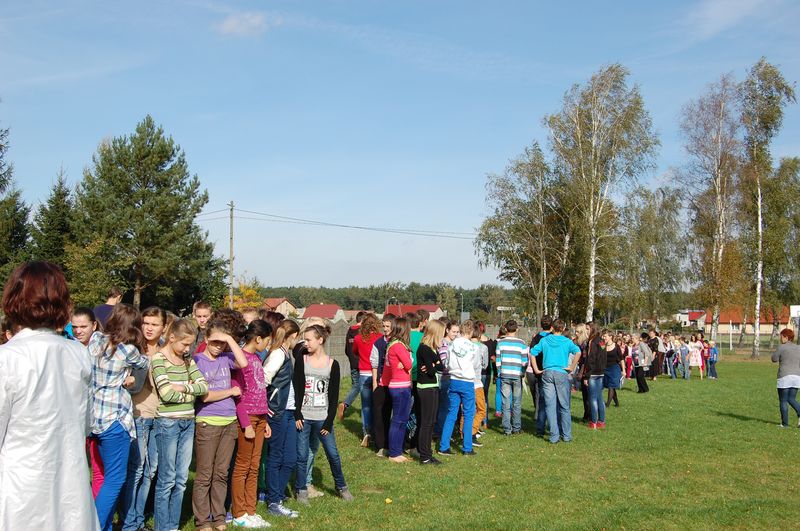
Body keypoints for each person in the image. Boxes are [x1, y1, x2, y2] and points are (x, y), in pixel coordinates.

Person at [0, 261, 100, 530]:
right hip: (67, 485)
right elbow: (86, 423)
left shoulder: (7, 358)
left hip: (21, 490)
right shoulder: (77, 353)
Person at [87, 304, 149, 531]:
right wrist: (131, 375)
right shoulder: (128, 350)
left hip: (94, 419)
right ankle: (94, 525)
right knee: (115, 479)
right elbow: (145, 363)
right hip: (115, 420)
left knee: (101, 475)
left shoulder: (96, 341)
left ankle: (103, 526)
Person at [152, 319, 209, 531]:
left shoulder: (187, 360)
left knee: (181, 479)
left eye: (190, 345)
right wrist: (190, 389)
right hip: (168, 423)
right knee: (167, 479)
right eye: (184, 344)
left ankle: (173, 526)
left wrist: (183, 388)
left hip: (188, 422)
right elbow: (165, 393)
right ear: (172, 337)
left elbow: (203, 387)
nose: (188, 349)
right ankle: (162, 526)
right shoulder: (159, 359)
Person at [192, 317, 249, 531]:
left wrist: (227, 338)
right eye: (214, 341)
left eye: (222, 343)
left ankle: (218, 517)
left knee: (221, 473)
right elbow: (204, 396)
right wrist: (230, 392)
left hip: (229, 421)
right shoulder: (197, 361)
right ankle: (202, 520)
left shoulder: (226, 358)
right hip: (208, 421)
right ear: (206, 339)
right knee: (205, 473)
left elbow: (243, 362)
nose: (218, 347)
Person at [293, 324, 354, 502]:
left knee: (333, 454)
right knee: (302, 455)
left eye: (309, 339)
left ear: (320, 340)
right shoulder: (301, 359)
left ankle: (341, 487)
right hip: (304, 418)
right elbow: (297, 389)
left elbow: (333, 395)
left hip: (322, 419)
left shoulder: (332, 364)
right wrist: (297, 414)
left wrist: (328, 421)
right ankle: (301, 490)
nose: (306, 343)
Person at [231, 316, 273, 528]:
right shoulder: (241, 360)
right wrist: (246, 424)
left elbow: (259, 391)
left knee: (255, 466)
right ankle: (239, 513)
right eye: (267, 340)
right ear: (258, 338)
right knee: (242, 466)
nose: (268, 345)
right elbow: (238, 396)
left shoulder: (256, 359)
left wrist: (264, 420)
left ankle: (251, 510)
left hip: (260, 418)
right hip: (246, 420)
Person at [264, 319, 301, 518]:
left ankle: (276, 495)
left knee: (290, 458)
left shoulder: (286, 354)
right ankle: (274, 502)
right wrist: (266, 407)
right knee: (276, 457)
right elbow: (263, 378)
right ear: (293, 336)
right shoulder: (278, 354)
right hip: (277, 412)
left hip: (288, 412)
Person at [532, 319, 581, 444]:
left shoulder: (545, 340)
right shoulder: (567, 341)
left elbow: (532, 353)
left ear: (552, 328)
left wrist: (537, 369)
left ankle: (554, 436)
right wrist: (572, 367)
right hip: (561, 373)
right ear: (563, 328)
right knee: (564, 405)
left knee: (550, 405)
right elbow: (578, 352)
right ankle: (566, 435)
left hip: (547, 373)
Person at [439, 320, 477, 456]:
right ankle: (467, 447)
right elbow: (475, 364)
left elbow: (447, 362)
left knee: (451, 413)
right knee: (468, 414)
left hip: (453, 379)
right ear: (471, 331)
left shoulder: (453, 343)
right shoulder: (474, 347)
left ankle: (444, 446)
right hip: (467, 381)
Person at [384, 318, 414, 463]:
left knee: (402, 420)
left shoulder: (397, 344)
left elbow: (407, 364)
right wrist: (405, 363)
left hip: (402, 385)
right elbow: (409, 364)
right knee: (398, 421)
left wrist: (406, 364)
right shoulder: (398, 346)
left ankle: (398, 450)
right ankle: (394, 453)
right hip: (400, 387)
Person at [416, 320, 445, 465]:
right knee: (426, 423)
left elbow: (442, 367)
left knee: (432, 422)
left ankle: (428, 453)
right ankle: (425, 456)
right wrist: (433, 365)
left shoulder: (434, 348)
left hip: (433, 386)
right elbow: (433, 369)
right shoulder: (424, 349)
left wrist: (434, 365)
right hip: (425, 388)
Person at [352, 313, 382, 448]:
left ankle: (366, 433)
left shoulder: (358, 339)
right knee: (378, 405)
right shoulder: (380, 338)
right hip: (376, 374)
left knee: (366, 406)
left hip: (364, 373)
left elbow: (355, 352)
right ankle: (377, 432)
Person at [496, 320, 527, 436]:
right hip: (517, 375)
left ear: (505, 329)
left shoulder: (501, 343)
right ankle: (516, 427)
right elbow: (525, 361)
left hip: (504, 374)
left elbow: (498, 361)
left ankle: (506, 428)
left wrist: (499, 372)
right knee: (517, 403)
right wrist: (522, 372)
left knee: (506, 402)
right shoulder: (522, 343)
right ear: (517, 329)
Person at [370, 315, 395, 457]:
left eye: (388, 327)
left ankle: (395, 443)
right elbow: (374, 364)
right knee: (380, 414)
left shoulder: (398, 342)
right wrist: (375, 382)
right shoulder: (378, 343)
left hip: (396, 383)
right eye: (383, 326)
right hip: (381, 382)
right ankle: (381, 445)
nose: (385, 329)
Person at [338, 311, 365, 420]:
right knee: (361, 387)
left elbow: (346, 349)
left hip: (352, 363)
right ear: (363, 321)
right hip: (362, 363)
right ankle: (346, 404)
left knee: (356, 385)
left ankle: (345, 405)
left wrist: (351, 357)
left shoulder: (350, 330)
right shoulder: (362, 332)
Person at [528, 316, 552, 438]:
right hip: (552, 370)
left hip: (540, 371)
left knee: (541, 399)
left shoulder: (537, 338)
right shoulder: (554, 337)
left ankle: (540, 427)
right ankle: (553, 427)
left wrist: (535, 368)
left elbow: (531, 353)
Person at [434, 321, 459, 440]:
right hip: (445, 378)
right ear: (447, 330)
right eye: (453, 331)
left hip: (452, 377)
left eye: (457, 332)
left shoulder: (455, 343)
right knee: (445, 406)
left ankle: (444, 431)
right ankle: (440, 432)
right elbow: (445, 363)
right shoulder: (444, 344)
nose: (455, 334)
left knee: (448, 406)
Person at [464, 327, 488, 444]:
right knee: (481, 409)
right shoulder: (478, 348)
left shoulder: (461, 346)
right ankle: (471, 433)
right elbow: (482, 365)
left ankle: (465, 433)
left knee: (467, 410)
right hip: (475, 382)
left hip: (465, 381)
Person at [772, 328, 800, 427]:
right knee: (791, 399)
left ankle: (785, 424)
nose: (780, 339)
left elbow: (774, 359)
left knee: (783, 400)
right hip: (797, 376)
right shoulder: (798, 348)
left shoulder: (781, 347)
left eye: (781, 337)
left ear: (786, 337)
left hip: (784, 376)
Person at [585, 327, 608, 430]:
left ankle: (593, 422)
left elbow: (591, 358)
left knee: (593, 398)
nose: (586, 331)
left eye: (587, 329)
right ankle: (601, 421)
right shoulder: (602, 341)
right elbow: (603, 356)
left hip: (593, 373)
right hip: (601, 372)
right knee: (600, 398)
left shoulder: (592, 342)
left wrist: (587, 375)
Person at [604, 330, 625, 408]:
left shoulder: (616, 346)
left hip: (614, 369)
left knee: (611, 386)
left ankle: (607, 404)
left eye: (605, 336)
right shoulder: (602, 345)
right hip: (605, 369)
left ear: (610, 337)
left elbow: (621, 359)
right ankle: (617, 403)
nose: (604, 338)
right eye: (603, 336)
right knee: (611, 386)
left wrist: (624, 370)